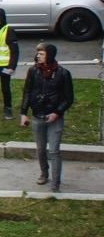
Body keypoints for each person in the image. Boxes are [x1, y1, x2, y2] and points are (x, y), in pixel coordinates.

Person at [20, 43, 73, 193]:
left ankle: (55, 182)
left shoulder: (63, 73)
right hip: (37, 116)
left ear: (49, 55)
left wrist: (57, 112)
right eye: (38, 53)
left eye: (41, 54)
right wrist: (23, 113)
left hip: (54, 117)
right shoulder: (33, 71)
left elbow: (68, 98)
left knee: (54, 150)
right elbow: (27, 93)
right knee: (41, 149)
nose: (38, 56)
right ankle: (44, 173)